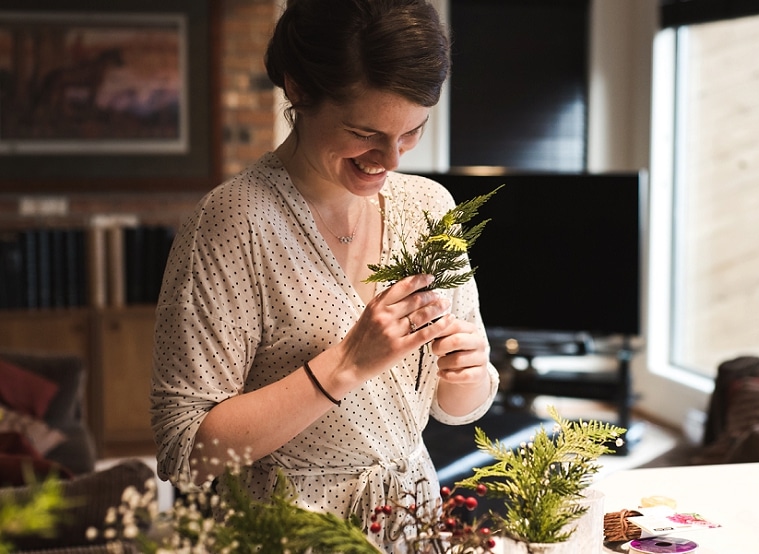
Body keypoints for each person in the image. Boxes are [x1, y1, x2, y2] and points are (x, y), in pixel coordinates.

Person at [150, 0, 499, 549]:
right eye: (365, 132)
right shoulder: (230, 224)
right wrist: (346, 363)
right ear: (298, 90)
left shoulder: (430, 208)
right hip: (288, 533)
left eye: (412, 132)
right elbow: (186, 454)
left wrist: (467, 372)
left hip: (413, 523)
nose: (390, 159)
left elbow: (459, 408)